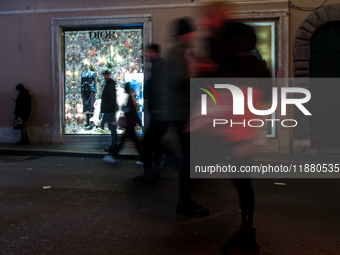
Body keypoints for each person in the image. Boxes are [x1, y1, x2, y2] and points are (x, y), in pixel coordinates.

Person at [166, 17, 209, 217]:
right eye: (191, 33)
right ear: (184, 34)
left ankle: (185, 198)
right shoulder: (176, 53)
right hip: (181, 113)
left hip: (186, 112)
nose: (193, 36)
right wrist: (200, 74)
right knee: (187, 156)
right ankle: (184, 201)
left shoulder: (183, 52)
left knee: (188, 155)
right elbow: (180, 82)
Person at [133, 43, 168, 181]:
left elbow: (159, 88)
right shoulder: (158, 65)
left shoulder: (158, 66)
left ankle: (149, 172)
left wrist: (153, 102)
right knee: (157, 143)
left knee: (147, 142)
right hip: (160, 112)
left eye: (148, 52)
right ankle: (155, 172)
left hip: (159, 112)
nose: (146, 54)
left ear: (154, 52)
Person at [103, 83, 143, 164]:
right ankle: (143, 158)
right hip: (130, 123)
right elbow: (133, 111)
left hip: (130, 124)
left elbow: (132, 111)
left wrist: (137, 122)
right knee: (131, 142)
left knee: (125, 142)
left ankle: (113, 157)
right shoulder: (129, 98)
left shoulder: (129, 98)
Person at [100, 70, 117, 156]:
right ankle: (114, 145)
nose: (104, 77)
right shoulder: (110, 84)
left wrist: (108, 110)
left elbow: (110, 99)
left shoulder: (109, 85)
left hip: (109, 110)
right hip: (109, 110)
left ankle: (114, 146)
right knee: (111, 128)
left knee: (112, 128)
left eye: (105, 75)